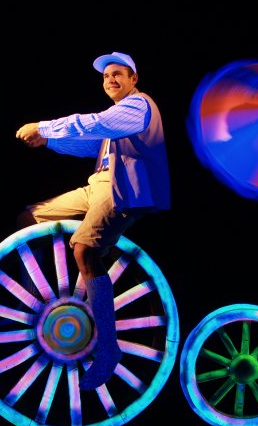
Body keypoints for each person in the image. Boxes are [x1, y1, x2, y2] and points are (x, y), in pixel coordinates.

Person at [15, 52, 171, 390]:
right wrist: (49, 141)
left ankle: (109, 349)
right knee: (29, 216)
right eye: (106, 76)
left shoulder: (138, 106)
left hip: (123, 188)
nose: (110, 80)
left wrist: (43, 127)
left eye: (118, 74)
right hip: (97, 185)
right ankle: (35, 299)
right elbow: (90, 144)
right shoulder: (116, 120)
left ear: (133, 79)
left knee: (84, 250)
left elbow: (93, 124)